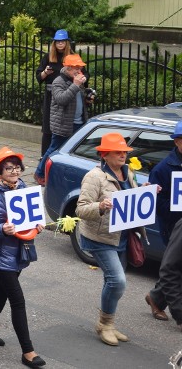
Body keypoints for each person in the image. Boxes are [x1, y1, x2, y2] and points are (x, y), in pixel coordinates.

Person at [75, 132, 151, 346]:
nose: (122, 156)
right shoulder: (94, 177)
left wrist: (145, 192)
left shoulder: (128, 173)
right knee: (117, 280)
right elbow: (80, 209)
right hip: (99, 238)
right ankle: (105, 324)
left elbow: (131, 200)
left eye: (124, 152)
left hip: (122, 237)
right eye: (118, 152)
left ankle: (108, 323)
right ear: (104, 154)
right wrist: (100, 206)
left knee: (114, 282)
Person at [0, 147, 46, 368]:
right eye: (9, 168)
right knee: (17, 299)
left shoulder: (23, 188)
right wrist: (1, 229)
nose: (15, 171)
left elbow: (30, 219)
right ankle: (28, 351)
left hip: (19, 252)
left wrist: (38, 225)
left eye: (17, 167)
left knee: (2, 292)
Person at [145, 121, 182, 326]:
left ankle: (156, 298)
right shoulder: (162, 169)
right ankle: (166, 304)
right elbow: (155, 202)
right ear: (177, 142)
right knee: (174, 266)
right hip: (173, 225)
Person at [34, 53, 88, 186]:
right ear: (68, 68)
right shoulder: (58, 81)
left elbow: (77, 99)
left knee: (72, 151)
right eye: (76, 68)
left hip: (78, 122)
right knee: (53, 149)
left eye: (80, 67)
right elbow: (61, 99)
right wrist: (75, 85)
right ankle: (40, 173)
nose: (79, 71)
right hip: (63, 124)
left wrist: (87, 97)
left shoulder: (76, 80)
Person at [36, 29, 73, 156]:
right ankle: (44, 156)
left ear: (67, 43)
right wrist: (46, 72)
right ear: (54, 43)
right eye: (58, 41)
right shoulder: (48, 57)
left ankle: (63, 154)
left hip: (67, 93)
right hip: (51, 94)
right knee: (48, 127)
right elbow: (38, 77)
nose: (60, 44)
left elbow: (83, 73)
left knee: (65, 126)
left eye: (63, 41)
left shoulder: (72, 56)